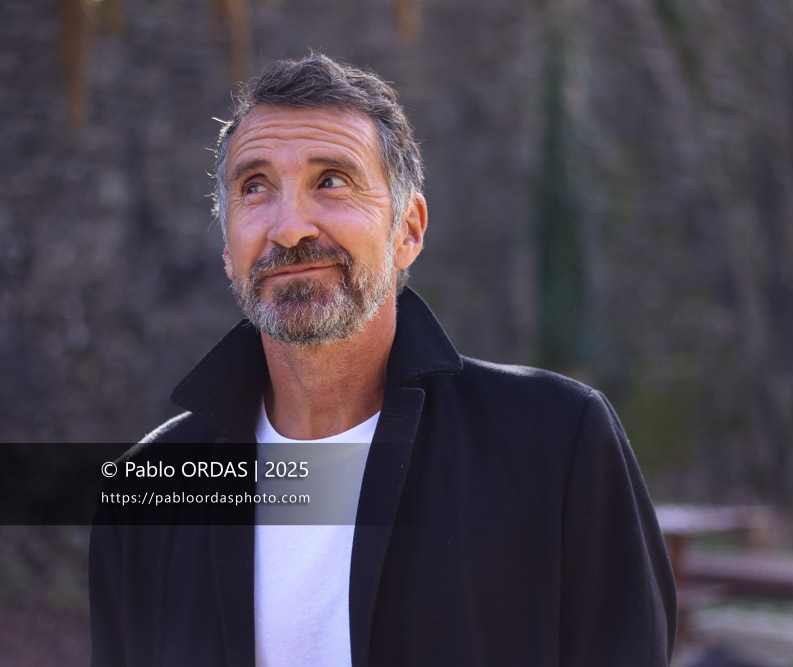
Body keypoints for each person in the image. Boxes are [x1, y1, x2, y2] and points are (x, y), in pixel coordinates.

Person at [89, 52, 677, 667]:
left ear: (408, 230)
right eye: (254, 187)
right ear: (228, 251)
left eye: (332, 180)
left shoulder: (556, 442)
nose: (289, 227)